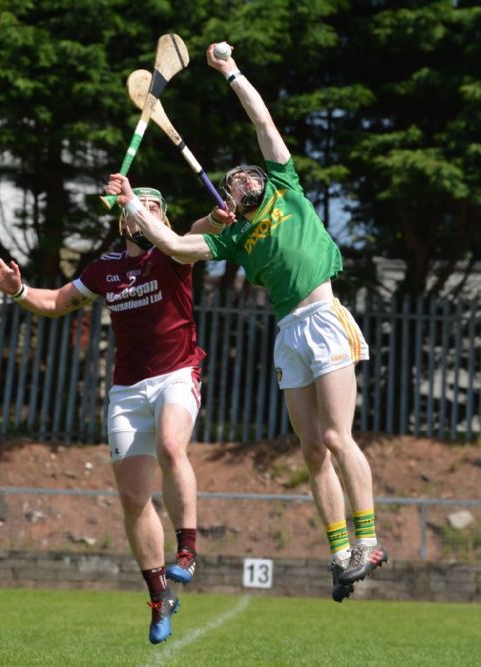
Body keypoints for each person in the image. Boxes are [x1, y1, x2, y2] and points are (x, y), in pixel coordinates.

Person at [104, 40, 388, 604]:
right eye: (234, 180)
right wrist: (131, 204)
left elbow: (261, 119)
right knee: (311, 449)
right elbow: (174, 245)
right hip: (289, 332)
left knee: (337, 436)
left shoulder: (286, 186)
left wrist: (230, 69)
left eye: (246, 174)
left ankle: (369, 542)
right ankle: (339, 555)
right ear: (232, 199)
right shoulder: (232, 236)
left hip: (324, 316)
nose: (242, 178)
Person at [0, 188, 219, 643]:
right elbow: (56, 302)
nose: (143, 214)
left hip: (176, 374)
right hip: (127, 390)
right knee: (133, 498)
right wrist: (18, 291)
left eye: (153, 208)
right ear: (122, 221)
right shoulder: (105, 269)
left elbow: (200, 229)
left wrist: (218, 218)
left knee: (172, 446)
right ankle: (160, 596)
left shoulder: (172, 253)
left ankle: (187, 551)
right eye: (137, 208)